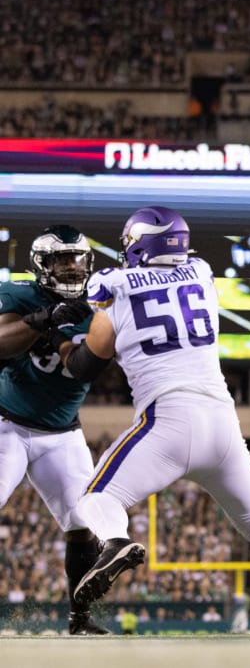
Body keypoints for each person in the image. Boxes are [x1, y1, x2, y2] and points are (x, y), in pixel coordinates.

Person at [51, 206, 250, 633]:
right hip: (222, 423)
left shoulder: (113, 285)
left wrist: (68, 335)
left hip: (167, 419)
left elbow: (86, 363)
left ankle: (117, 542)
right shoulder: (201, 272)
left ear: (137, 245)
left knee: (94, 500)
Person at [0, 225, 108, 635]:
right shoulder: (20, 295)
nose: (70, 267)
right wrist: (42, 319)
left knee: (83, 523)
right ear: (41, 264)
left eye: (77, 258)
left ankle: (80, 618)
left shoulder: (100, 301)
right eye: (61, 259)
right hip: (7, 422)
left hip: (63, 432)